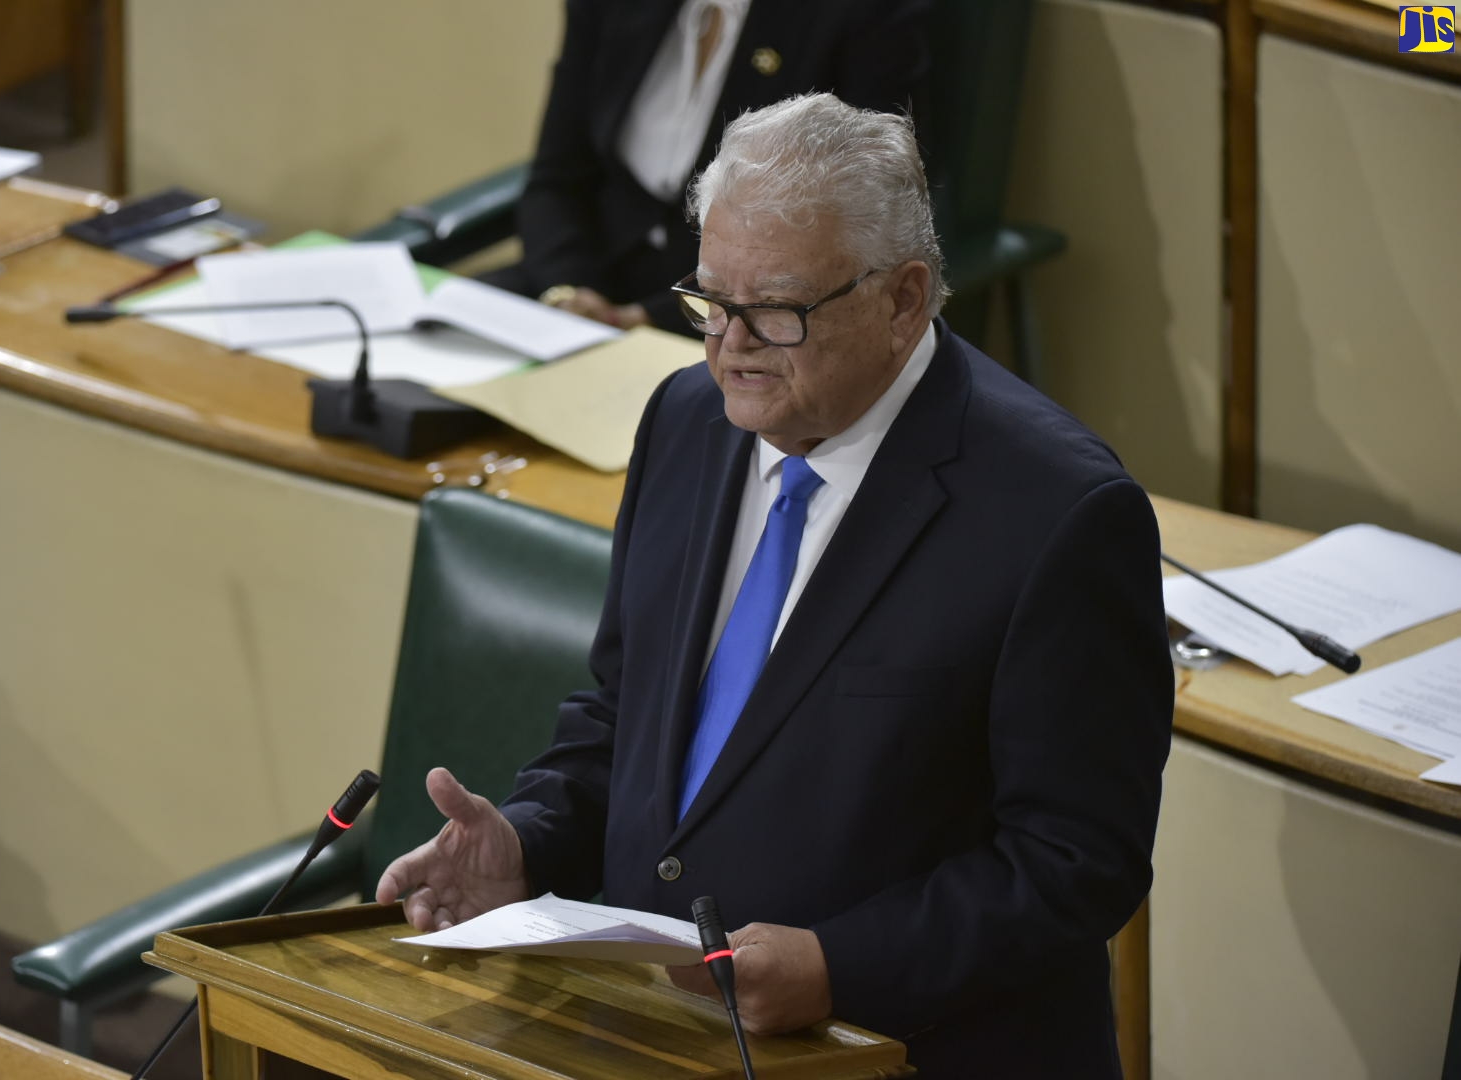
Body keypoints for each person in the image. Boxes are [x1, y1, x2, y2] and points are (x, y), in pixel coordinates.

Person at [378, 93, 1173, 1076]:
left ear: (903, 300)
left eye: (775, 312)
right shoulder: (684, 420)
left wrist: (844, 966)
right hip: (656, 1039)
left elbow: (1074, 865)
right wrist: (530, 842)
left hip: (904, 1054)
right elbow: (625, 716)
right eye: (710, 300)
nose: (728, 345)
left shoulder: (1058, 514)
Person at [485, 0, 940, 336]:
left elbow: (851, 227)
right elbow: (557, 177)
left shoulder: (870, 15)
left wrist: (648, 319)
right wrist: (569, 293)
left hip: (742, 317)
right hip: (580, 286)